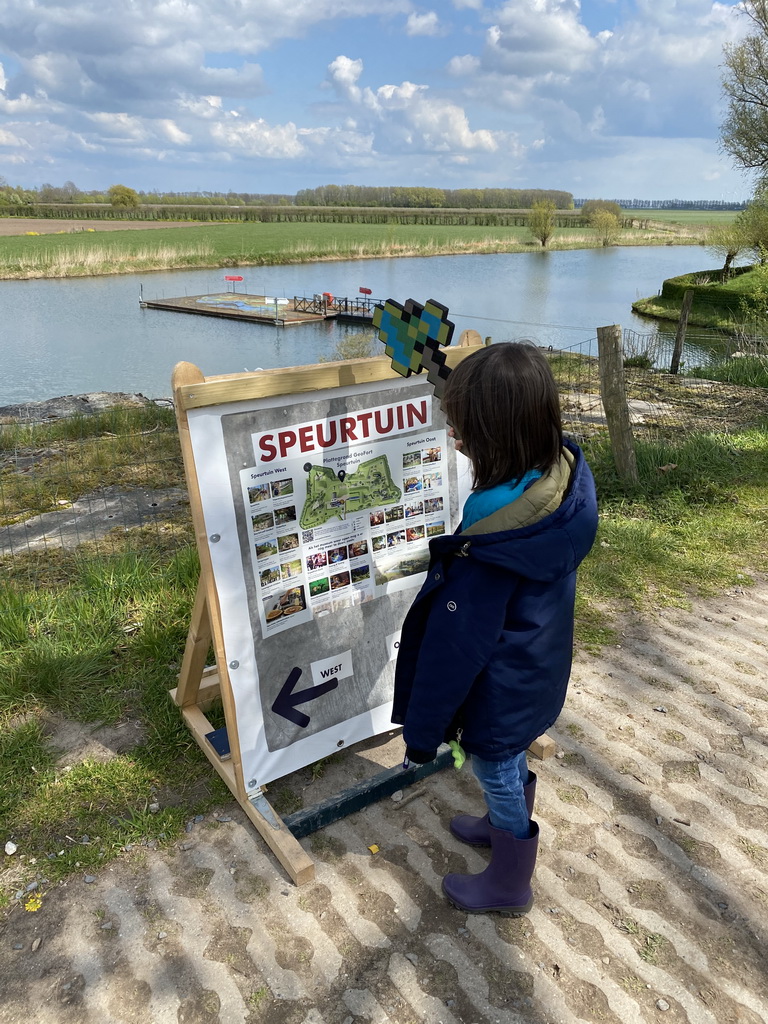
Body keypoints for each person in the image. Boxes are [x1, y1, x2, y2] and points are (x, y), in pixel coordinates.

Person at [392, 341, 598, 916]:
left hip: (501, 688)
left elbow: (458, 646)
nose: (454, 436)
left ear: (496, 436)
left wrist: (421, 733)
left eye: (464, 429)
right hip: (535, 667)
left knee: (497, 767)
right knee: (508, 760)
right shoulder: (554, 479)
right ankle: (497, 821)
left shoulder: (492, 537)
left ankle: (510, 881)